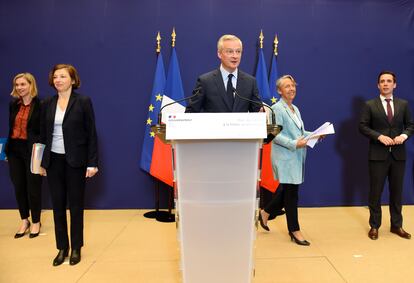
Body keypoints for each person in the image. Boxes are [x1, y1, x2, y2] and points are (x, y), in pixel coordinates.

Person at [40, 64, 98, 266]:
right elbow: (41, 135)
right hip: (53, 161)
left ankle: (76, 248)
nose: (58, 80)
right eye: (55, 77)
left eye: (63, 76)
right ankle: (61, 248)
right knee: (57, 207)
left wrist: (92, 162)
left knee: (75, 207)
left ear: (73, 80)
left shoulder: (83, 102)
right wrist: (40, 162)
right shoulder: (47, 103)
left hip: (76, 161)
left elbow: (91, 133)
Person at [359, 71, 414, 240]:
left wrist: (403, 136)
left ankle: (396, 225)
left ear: (394, 85)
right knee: (375, 192)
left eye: (389, 81)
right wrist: (379, 136)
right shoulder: (370, 105)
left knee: (396, 192)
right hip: (377, 155)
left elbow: (411, 125)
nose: (385, 84)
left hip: (398, 155)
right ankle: (374, 226)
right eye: (382, 81)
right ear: (378, 85)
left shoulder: (403, 104)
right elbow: (362, 126)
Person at [258, 75, 313, 246]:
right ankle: (294, 230)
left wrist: (314, 135)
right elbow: (275, 135)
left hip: (296, 156)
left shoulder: (295, 108)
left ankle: (265, 213)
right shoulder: (277, 109)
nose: (291, 89)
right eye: (287, 86)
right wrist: (295, 143)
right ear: (279, 91)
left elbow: (300, 132)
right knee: (291, 194)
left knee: (288, 190)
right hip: (285, 157)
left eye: (293, 85)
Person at [5, 73, 42, 239]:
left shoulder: (41, 105)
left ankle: (36, 221)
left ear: (31, 85)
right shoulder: (14, 105)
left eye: (23, 84)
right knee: (19, 186)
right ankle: (24, 220)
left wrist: (42, 155)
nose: (19, 88)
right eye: (17, 85)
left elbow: (43, 131)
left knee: (33, 187)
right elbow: (11, 128)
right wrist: (6, 150)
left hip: (32, 150)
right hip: (14, 150)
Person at [185, 34, 262, 113]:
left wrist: (262, 113)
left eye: (238, 51)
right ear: (219, 54)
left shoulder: (250, 82)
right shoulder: (205, 81)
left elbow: (257, 113)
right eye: (230, 51)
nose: (235, 56)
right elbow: (191, 112)